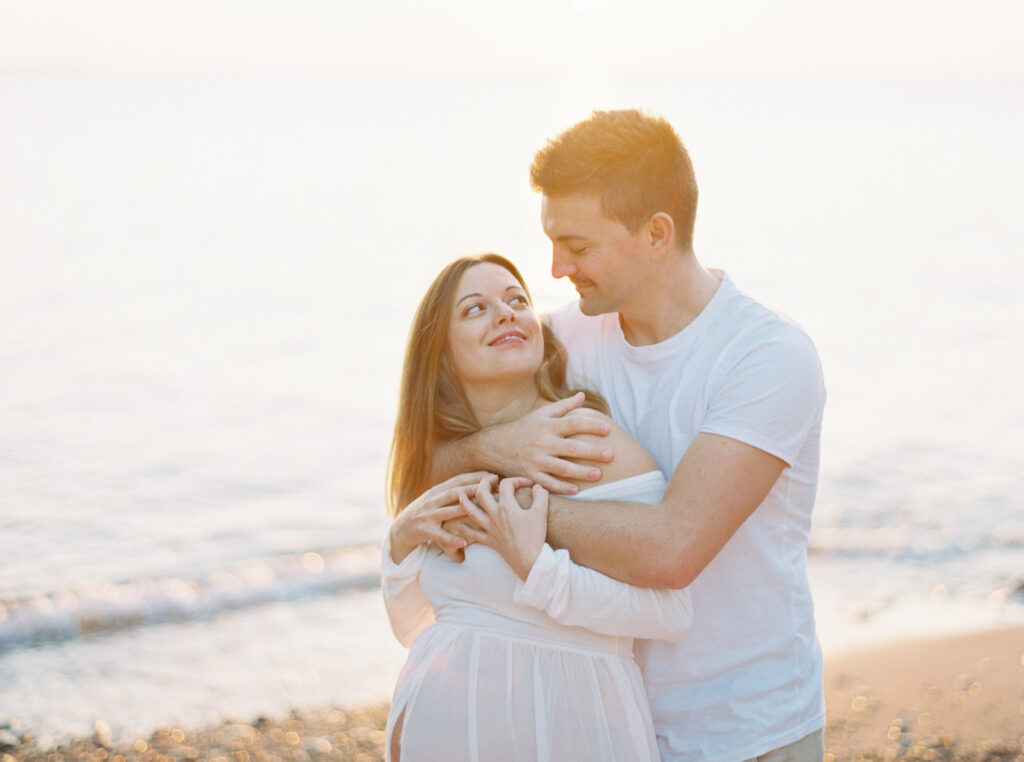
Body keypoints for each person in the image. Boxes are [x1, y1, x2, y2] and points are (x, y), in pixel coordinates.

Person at [433, 110, 827, 761]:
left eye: (578, 246)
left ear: (655, 233)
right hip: (610, 725)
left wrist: (521, 514)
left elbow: (673, 551)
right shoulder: (565, 340)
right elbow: (433, 442)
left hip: (749, 729)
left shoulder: (767, 357)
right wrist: (486, 452)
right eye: (552, 242)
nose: (556, 268)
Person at [381, 253, 693, 762]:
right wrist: (397, 544)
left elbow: (671, 613)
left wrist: (540, 569)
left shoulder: (587, 442)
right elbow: (414, 627)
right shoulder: (447, 464)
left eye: (517, 300)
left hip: (572, 727)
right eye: (475, 309)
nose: (505, 313)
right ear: (440, 356)